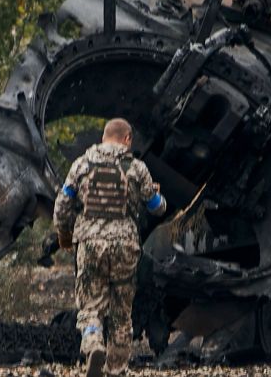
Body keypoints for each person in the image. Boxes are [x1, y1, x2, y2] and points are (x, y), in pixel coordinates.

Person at [53, 118, 167, 377]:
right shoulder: (137, 168)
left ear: (104, 137)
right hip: (125, 245)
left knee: (91, 306)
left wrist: (65, 235)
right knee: (121, 311)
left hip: (91, 244)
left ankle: (93, 343)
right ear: (127, 139)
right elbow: (156, 207)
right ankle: (116, 368)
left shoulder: (81, 164)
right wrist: (155, 194)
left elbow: (62, 205)